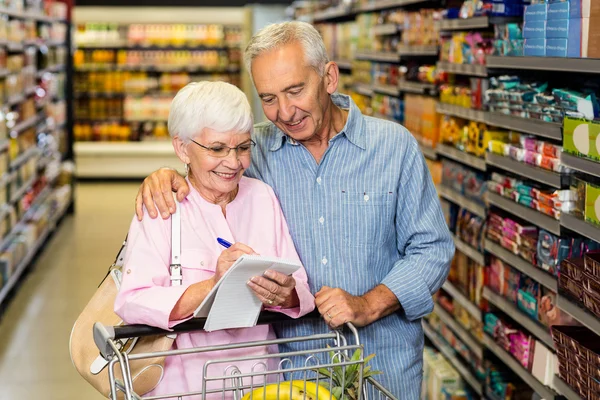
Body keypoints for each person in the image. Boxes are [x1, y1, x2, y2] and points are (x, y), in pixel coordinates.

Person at [135, 21, 454, 399]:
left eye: (295, 90)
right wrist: (168, 175)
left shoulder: (393, 148)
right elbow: (211, 165)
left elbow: (432, 249)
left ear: (329, 77)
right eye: (268, 98)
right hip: (290, 367)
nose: (285, 112)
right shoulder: (254, 152)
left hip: (382, 360)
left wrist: (369, 304)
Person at [115, 81, 315, 399]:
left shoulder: (262, 197)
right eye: (217, 149)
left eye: (243, 147)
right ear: (182, 148)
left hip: (261, 383)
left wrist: (284, 294)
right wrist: (213, 286)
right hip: (186, 387)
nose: (233, 162)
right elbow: (132, 301)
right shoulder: (163, 206)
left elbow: (300, 289)